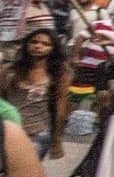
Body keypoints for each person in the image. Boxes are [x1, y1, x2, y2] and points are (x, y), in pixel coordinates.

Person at [1, 28, 69, 159]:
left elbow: (60, 109)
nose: (38, 46)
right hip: (9, 131)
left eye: (45, 44)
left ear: (53, 49)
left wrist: (57, 141)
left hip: (38, 133)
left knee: (23, 175)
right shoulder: (9, 71)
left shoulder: (59, 74)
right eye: (34, 42)